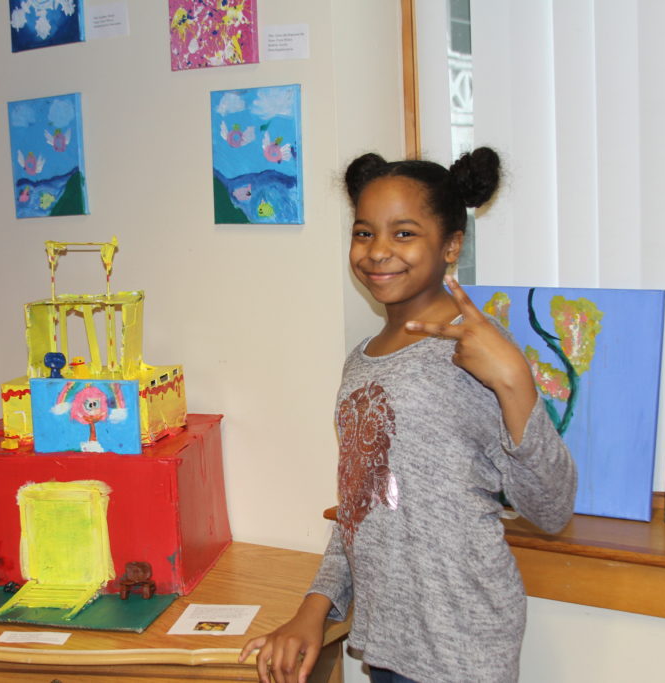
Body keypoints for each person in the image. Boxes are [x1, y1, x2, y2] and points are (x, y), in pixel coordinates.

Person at [239, 149, 577, 683]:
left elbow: (553, 508)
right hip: (387, 645)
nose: (377, 253)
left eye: (403, 234)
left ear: (451, 246)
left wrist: (515, 380)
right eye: (364, 232)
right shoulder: (361, 360)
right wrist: (314, 610)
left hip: (462, 651)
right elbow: (361, 503)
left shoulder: (478, 351)